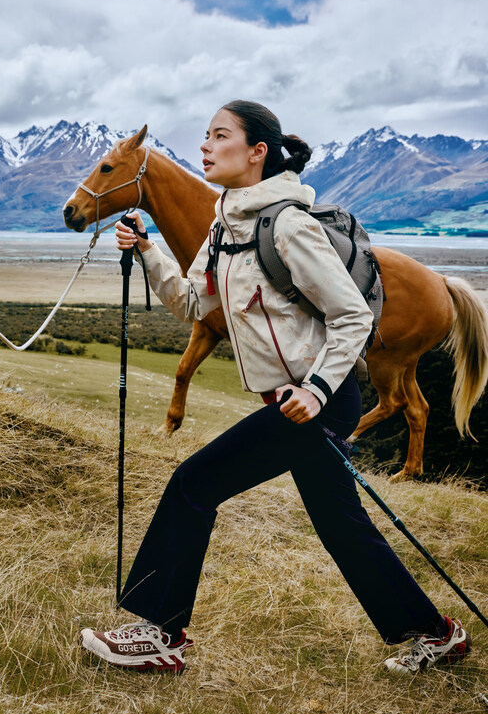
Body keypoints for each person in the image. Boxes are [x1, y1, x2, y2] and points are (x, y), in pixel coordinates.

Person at [80, 100, 471, 675]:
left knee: (193, 484)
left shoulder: (287, 224)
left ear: (257, 152)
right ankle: (436, 634)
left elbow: (351, 317)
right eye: (205, 136)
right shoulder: (223, 225)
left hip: (318, 403)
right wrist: (147, 251)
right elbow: (192, 303)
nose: (206, 147)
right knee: (343, 525)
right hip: (296, 404)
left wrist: (314, 390)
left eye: (220, 136)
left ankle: (160, 634)